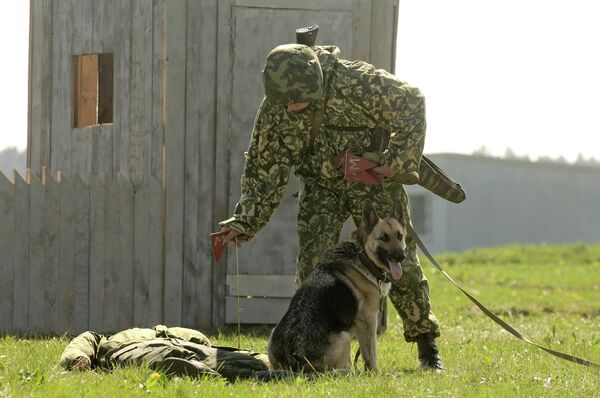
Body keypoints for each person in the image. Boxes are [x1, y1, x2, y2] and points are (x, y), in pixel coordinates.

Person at [219, 42, 445, 371]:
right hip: (322, 187)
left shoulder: (357, 84)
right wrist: (245, 221)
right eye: (287, 102)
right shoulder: (274, 109)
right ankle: (310, 351)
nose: (293, 107)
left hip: (372, 183)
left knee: (401, 264)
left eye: (300, 100)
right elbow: (263, 171)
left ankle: (427, 345)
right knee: (313, 271)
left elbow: (413, 102)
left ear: (317, 82)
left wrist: (393, 162)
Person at [59, 325, 269, 381]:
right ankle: (256, 373)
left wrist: (260, 357)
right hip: (134, 350)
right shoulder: (104, 341)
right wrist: (80, 361)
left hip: (181, 343)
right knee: (165, 358)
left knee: (238, 360)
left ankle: (266, 369)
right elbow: (80, 346)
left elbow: (211, 347)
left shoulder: (110, 340)